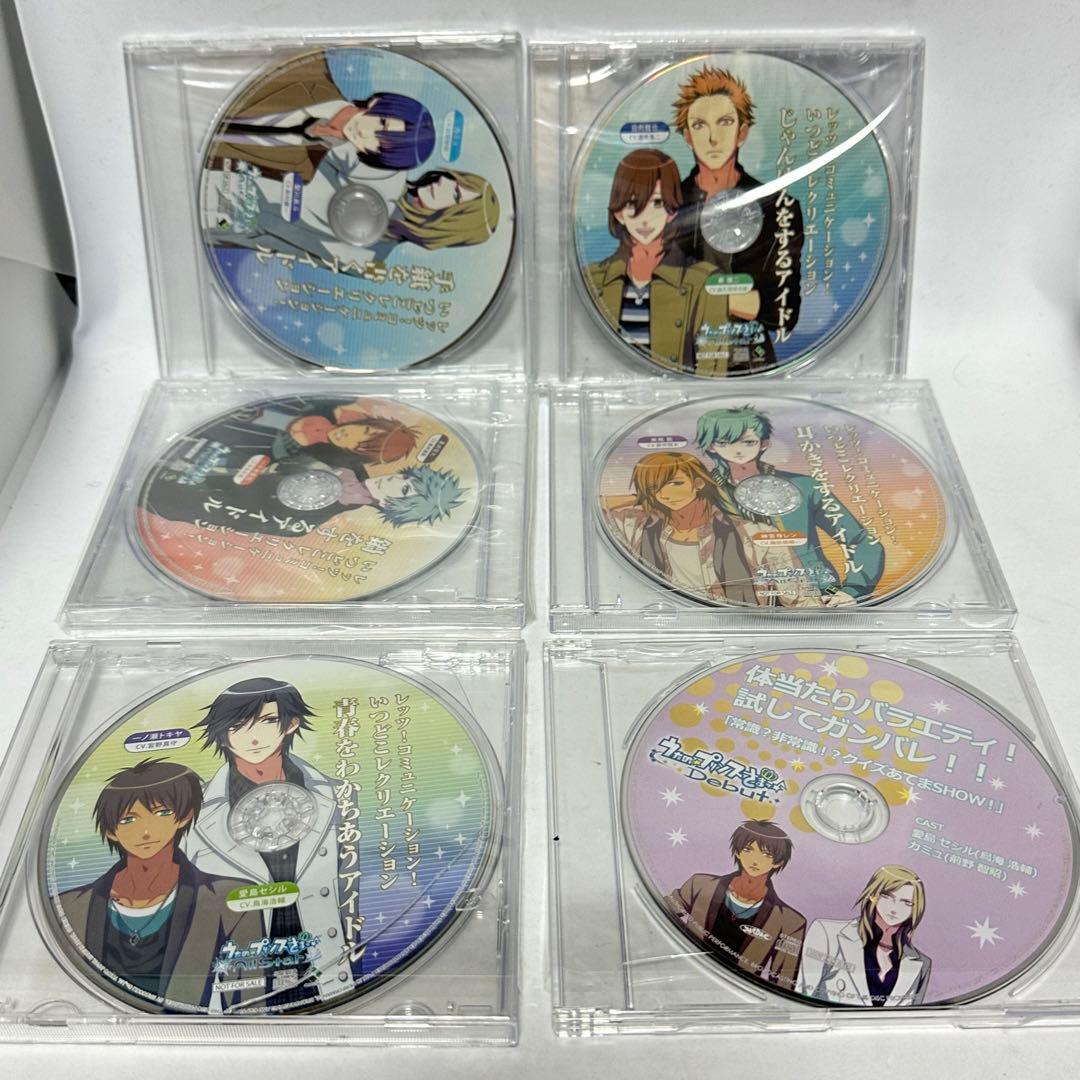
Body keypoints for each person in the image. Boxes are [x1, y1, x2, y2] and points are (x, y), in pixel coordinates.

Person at [185, 678, 359, 1007]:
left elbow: (352, 889)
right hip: (244, 975)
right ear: (222, 734)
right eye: (238, 725)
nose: (253, 737)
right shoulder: (193, 814)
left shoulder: (337, 794)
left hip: (325, 967)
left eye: (266, 721)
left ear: (291, 723)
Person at [56, 758, 264, 1013]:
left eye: (162, 813)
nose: (145, 831)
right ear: (111, 830)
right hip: (90, 1029)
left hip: (191, 1036)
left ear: (184, 816)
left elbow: (252, 1005)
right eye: (128, 819)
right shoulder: (68, 905)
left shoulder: (232, 900)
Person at [672, 65, 804, 371]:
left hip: (751, 363)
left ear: (742, 132)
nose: (713, 138)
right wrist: (741, 301)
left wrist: (697, 297)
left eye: (725, 122)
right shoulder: (667, 208)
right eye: (700, 125)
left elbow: (783, 311)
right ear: (688, 137)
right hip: (678, 360)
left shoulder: (778, 208)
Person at [695, 404, 884, 606]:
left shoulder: (804, 486)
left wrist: (853, 590)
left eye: (748, 441)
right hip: (735, 594)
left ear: (764, 443)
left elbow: (860, 539)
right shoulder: (698, 492)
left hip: (818, 588)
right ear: (711, 446)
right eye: (725, 442)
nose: (738, 450)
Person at [585, 148, 734, 375]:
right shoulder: (593, 279)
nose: (645, 219)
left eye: (656, 203)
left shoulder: (704, 282)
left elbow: (713, 369)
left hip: (680, 396)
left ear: (672, 210)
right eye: (633, 204)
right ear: (618, 213)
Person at [600, 451, 759, 604]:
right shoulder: (638, 525)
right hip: (663, 611)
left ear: (698, 483)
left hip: (730, 616)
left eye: (676, 483)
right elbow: (596, 505)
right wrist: (639, 498)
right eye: (653, 487)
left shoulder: (742, 529)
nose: (664, 494)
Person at [666, 820, 806, 991]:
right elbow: (658, 916)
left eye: (766, 854)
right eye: (748, 850)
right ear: (738, 852)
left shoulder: (791, 922)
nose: (755, 860)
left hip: (738, 993)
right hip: (675, 977)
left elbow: (784, 982)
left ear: (778, 862)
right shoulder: (699, 885)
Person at [797, 866, 931, 1007]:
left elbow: (911, 1016)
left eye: (907, 903)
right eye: (887, 896)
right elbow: (802, 996)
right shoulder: (827, 934)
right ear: (873, 895)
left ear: (916, 909)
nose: (894, 908)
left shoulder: (921, 964)